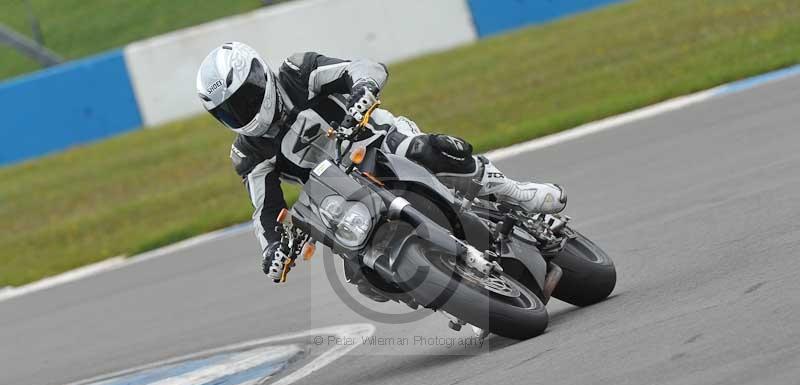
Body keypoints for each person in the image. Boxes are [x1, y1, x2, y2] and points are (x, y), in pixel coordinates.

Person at [196, 42, 566, 284]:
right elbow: (265, 210)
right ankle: (458, 292)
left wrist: (362, 91)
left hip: (376, 140)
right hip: (343, 193)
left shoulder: (298, 72)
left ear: (261, 75)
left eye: (245, 99)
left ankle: (515, 193)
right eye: (229, 111)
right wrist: (272, 249)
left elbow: (364, 67)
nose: (241, 113)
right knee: (359, 272)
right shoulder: (249, 153)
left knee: (423, 150)